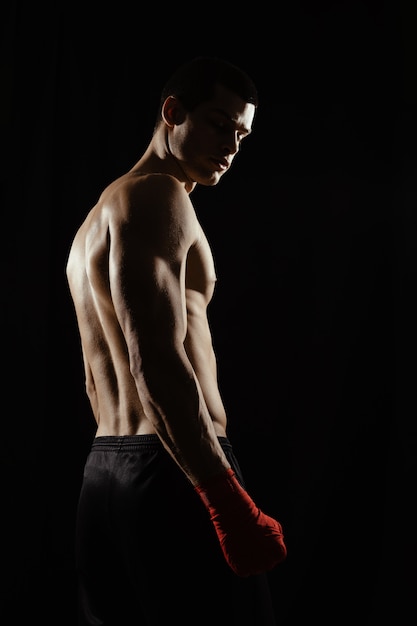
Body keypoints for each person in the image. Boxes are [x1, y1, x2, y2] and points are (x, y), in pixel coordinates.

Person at [66, 56, 287, 626]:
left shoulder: (91, 224)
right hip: (176, 475)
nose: (232, 146)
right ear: (173, 112)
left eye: (242, 134)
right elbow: (156, 360)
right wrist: (226, 502)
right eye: (219, 124)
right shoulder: (160, 195)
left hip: (105, 478)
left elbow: (95, 379)